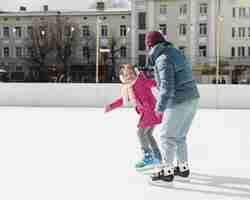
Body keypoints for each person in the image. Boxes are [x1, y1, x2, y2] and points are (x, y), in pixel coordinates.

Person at [145, 31, 200, 182]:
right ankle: (182, 167)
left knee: (166, 136)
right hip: (192, 98)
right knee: (179, 136)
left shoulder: (162, 59)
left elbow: (167, 87)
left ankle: (166, 170)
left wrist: (159, 108)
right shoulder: (174, 52)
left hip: (179, 100)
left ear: (150, 46)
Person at [105, 64, 163, 171]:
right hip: (151, 112)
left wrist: (161, 83)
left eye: (131, 73)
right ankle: (157, 157)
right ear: (123, 76)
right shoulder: (129, 87)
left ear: (135, 73)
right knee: (148, 134)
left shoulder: (140, 81)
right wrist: (111, 106)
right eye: (126, 74)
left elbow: (152, 83)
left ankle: (149, 157)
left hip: (150, 111)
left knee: (140, 133)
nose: (129, 76)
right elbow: (123, 100)